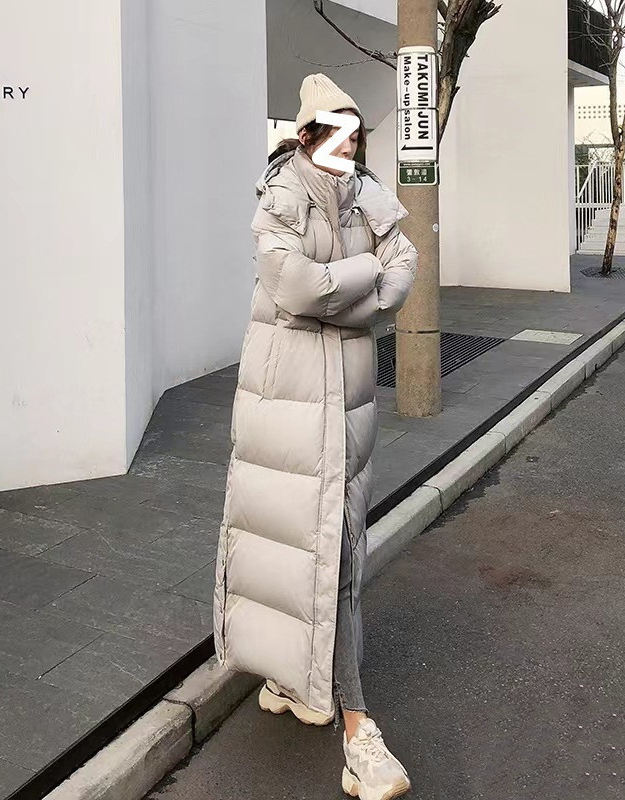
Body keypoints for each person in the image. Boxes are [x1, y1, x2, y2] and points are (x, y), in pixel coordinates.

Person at [214, 73, 417, 800]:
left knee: (332, 546)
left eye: (357, 136)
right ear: (307, 137)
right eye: (339, 135)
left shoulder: (367, 192)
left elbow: (404, 268)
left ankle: (292, 683)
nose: (352, 147)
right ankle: (358, 734)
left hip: (349, 404)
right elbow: (296, 289)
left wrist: (347, 297)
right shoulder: (280, 196)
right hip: (289, 403)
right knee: (309, 550)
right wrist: (361, 276)